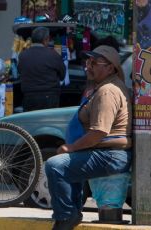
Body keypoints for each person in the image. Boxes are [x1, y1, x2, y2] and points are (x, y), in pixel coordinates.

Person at [45, 45, 132, 230]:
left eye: (95, 63)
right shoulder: (101, 87)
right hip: (106, 153)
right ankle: (72, 212)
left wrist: (72, 147)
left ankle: (67, 216)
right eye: (88, 62)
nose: (89, 66)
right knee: (68, 166)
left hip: (110, 155)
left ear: (111, 68)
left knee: (55, 166)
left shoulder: (107, 91)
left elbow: (98, 132)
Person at [17, 27, 66, 112]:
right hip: (49, 97)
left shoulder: (22, 56)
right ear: (46, 39)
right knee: (48, 123)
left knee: (31, 123)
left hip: (29, 97)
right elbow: (62, 75)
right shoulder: (53, 55)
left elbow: (19, 72)